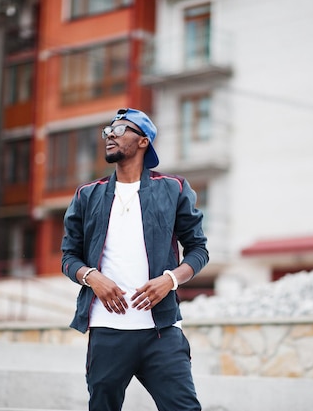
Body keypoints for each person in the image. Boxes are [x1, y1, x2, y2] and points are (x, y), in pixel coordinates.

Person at [61, 108, 209, 411]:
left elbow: (198, 250)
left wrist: (170, 280)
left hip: (161, 331)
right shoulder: (88, 195)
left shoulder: (174, 188)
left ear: (144, 141)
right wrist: (92, 276)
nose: (110, 135)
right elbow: (68, 257)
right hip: (107, 331)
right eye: (108, 131)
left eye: (120, 129)